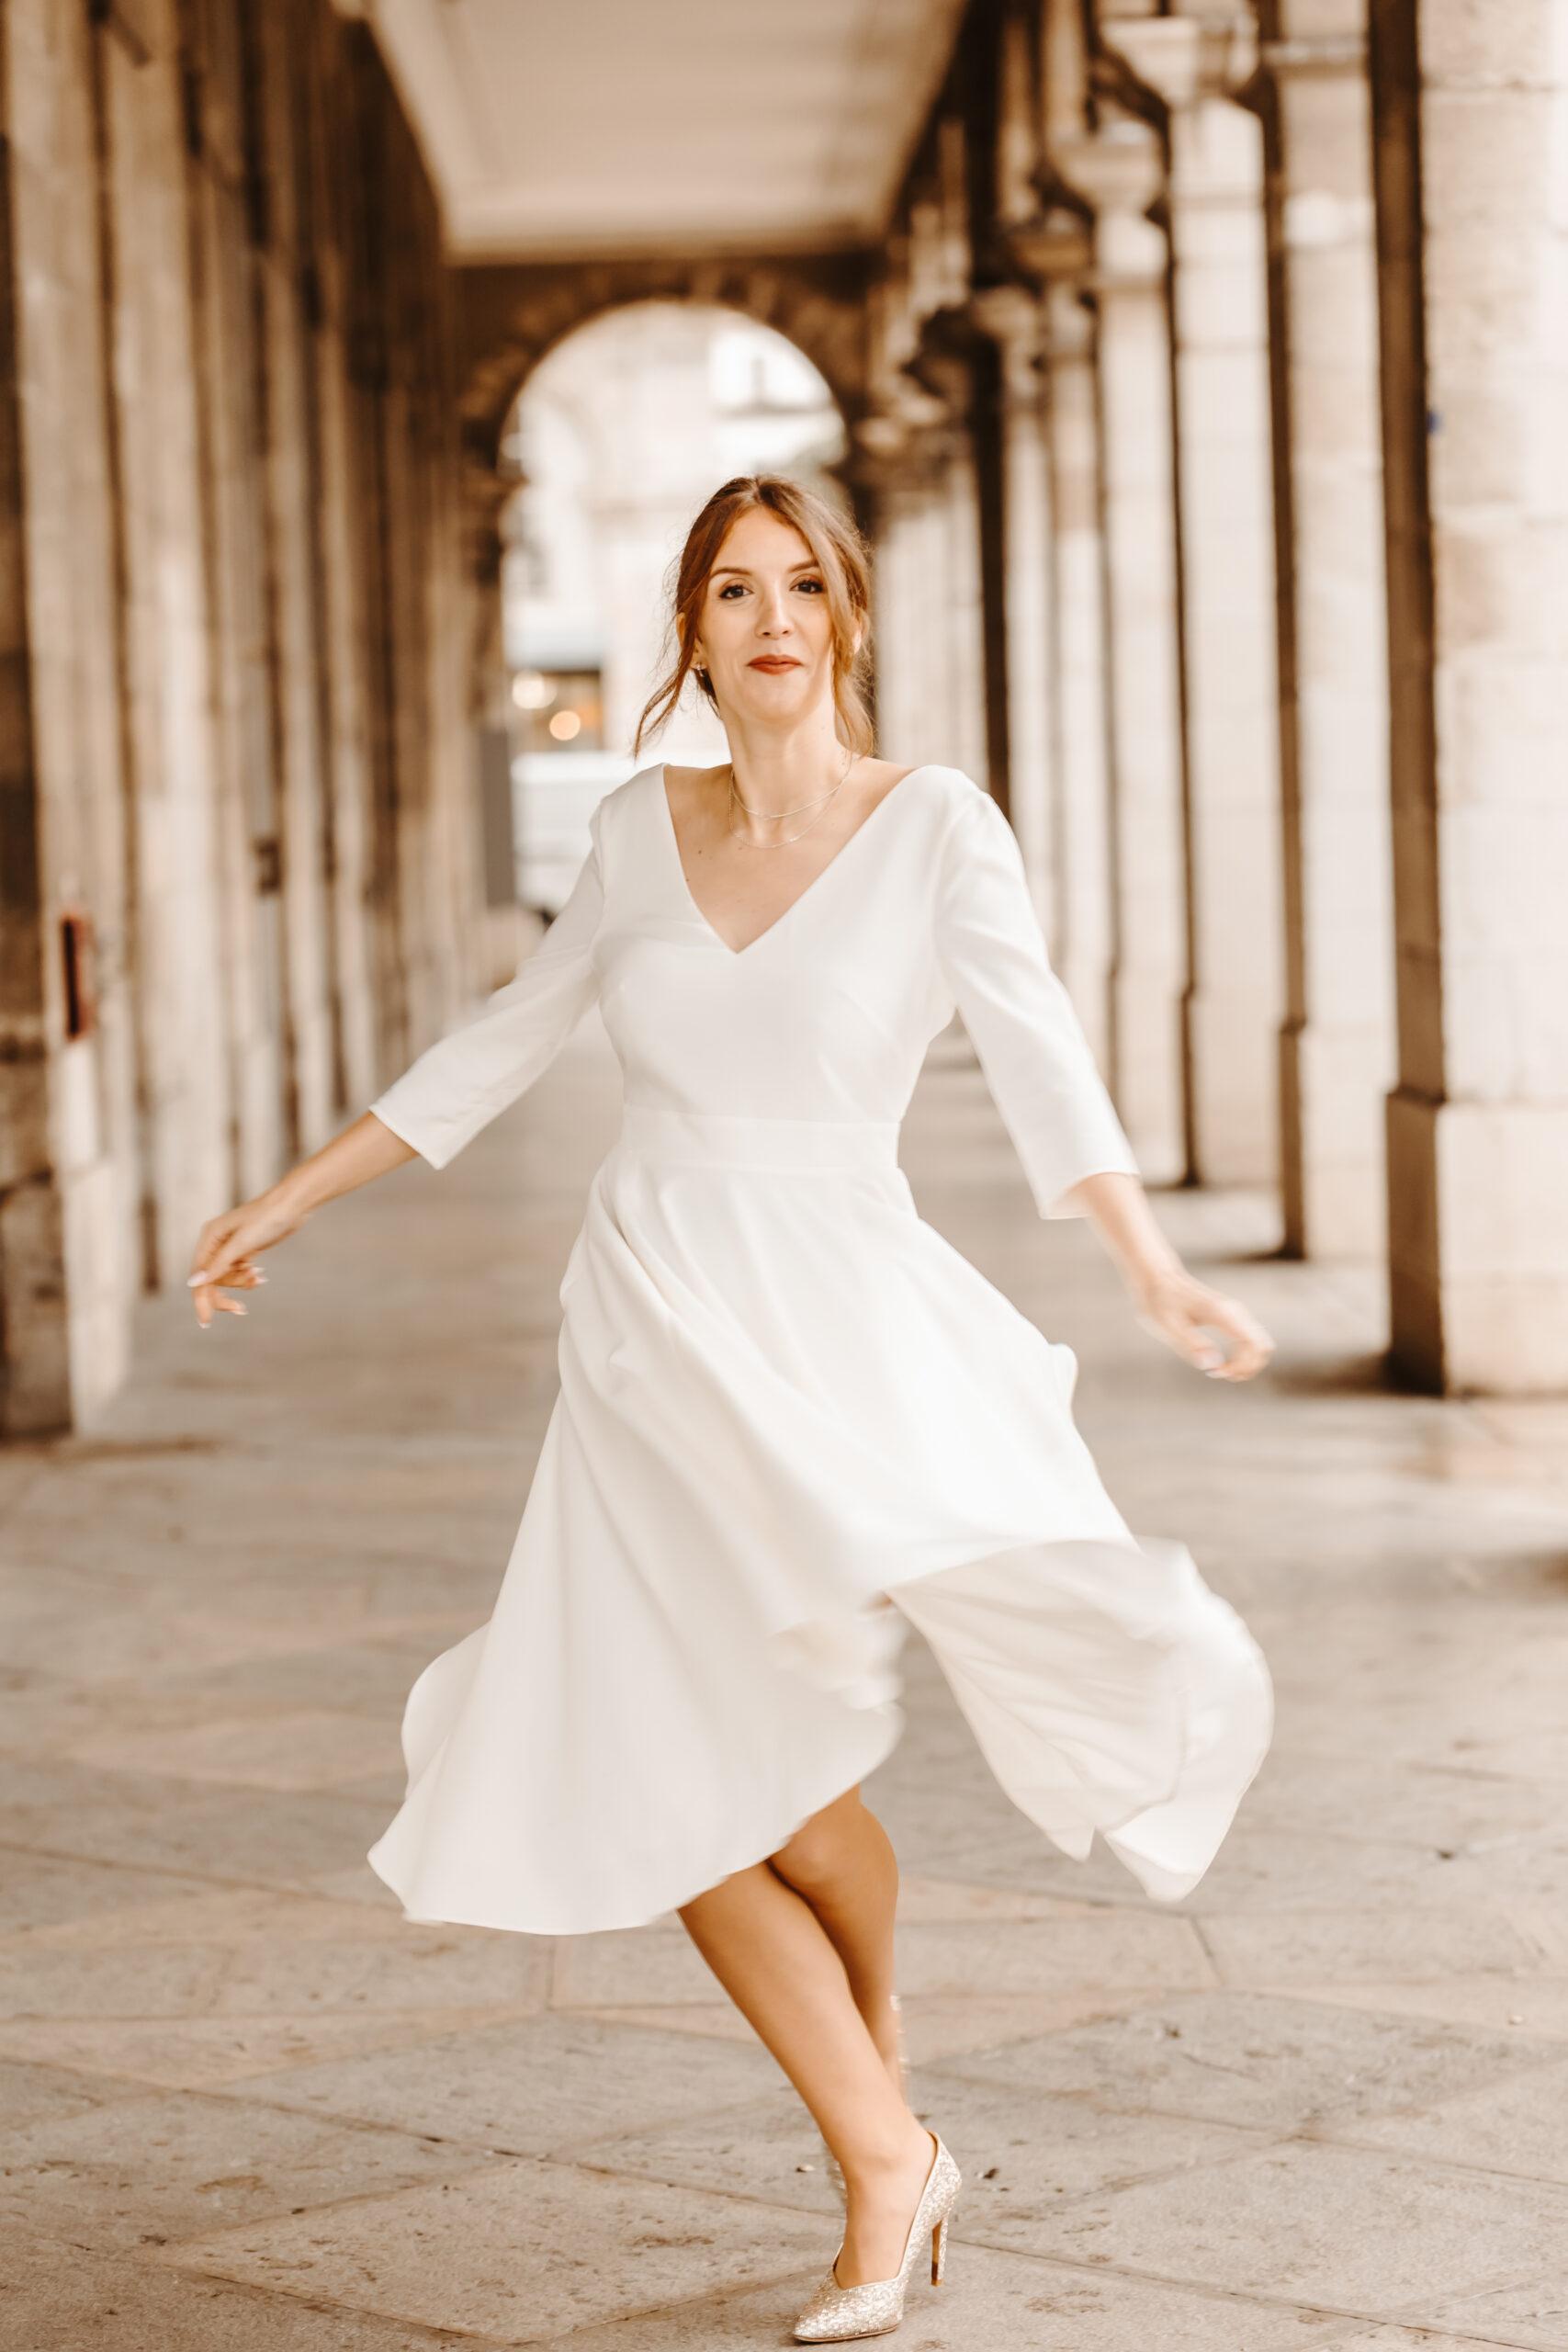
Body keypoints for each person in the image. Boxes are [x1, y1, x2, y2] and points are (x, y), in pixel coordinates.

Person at [188, 472, 1275, 2344]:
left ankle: (879, 2082)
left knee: (799, 1765)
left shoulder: (933, 824)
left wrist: (1147, 1265)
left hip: (836, 1329)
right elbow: (503, 1039)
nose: (769, 617)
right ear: (687, 631)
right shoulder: (632, 829)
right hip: (647, 1335)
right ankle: (880, 2142)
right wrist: (290, 1189)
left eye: (800, 585)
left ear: (846, 616)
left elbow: (1042, 1063)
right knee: (669, 1770)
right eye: (728, 589)